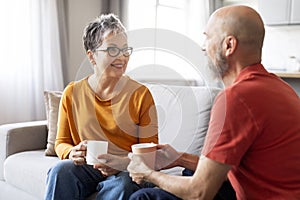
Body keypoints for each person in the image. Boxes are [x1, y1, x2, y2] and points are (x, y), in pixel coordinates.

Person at [128, 5, 300, 200]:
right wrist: (180, 159)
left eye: (208, 37)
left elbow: (200, 192)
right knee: (187, 173)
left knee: (144, 197)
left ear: (229, 46)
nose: (203, 46)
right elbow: (235, 167)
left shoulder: (237, 97)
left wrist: (148, 173)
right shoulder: (282, 88)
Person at [45, 13, 158, 200]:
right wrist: (71, 152)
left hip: (125, 168)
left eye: (125, 50)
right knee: (60, 171)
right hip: (88, 167)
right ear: (92, 56)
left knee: (123, 184)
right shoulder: (72, 93)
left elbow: (150, 153)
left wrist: (122, 163)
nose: (122, 57)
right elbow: (61, 142)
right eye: (112, 50)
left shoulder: (140, 95)